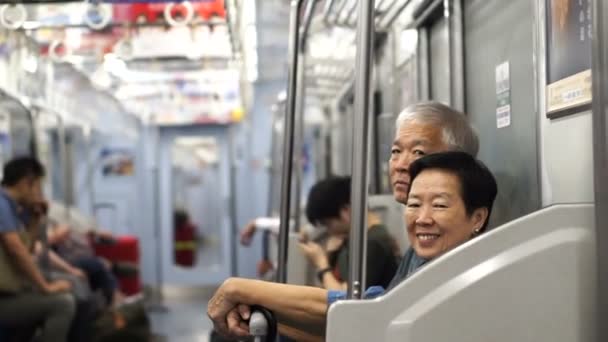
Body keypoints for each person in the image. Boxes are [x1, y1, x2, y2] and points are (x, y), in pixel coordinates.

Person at [207, 102, 482, 339]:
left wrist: (243, 289)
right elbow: (364, 311)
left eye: (418, 153)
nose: (400, 164)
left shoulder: (446, 255)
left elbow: (366, 312)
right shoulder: (419, 250)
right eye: (396, 151)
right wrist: (270, 315)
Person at [0, 157, 76, 342]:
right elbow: (16, 251)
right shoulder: (1, 204)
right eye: (38, 187)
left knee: (70, 290)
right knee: (63, 304)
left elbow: (28, 251)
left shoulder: (13, 208)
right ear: (27, 183)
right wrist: (45, 287)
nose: (39, 193)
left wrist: (35, 220)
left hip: (10, 291)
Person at [299, 176, 400, 290]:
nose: (328, 230)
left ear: (346, 211)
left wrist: (322, 263)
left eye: (328, 224)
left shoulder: (373, 243)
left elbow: (343, 298)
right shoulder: (355, 239)